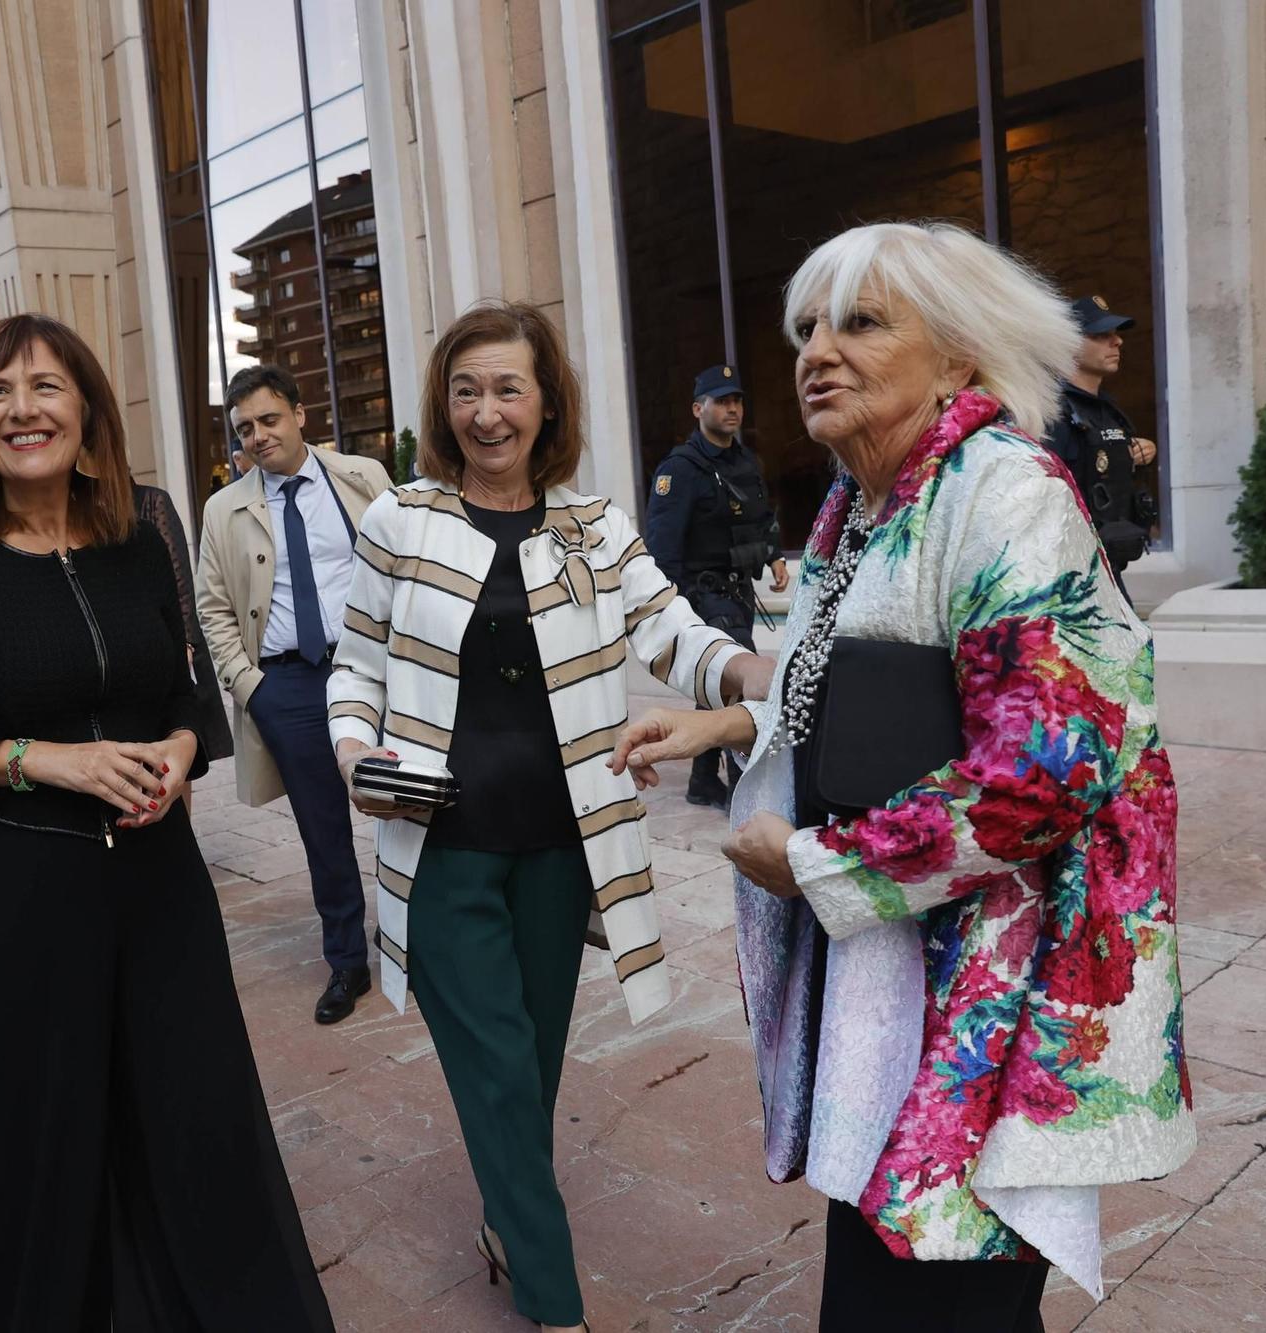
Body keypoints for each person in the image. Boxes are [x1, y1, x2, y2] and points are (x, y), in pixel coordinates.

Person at [612, 223, 1193, 1331]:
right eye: (807, 328)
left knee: (940, 1294)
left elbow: (1044, 772)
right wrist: (727, 719)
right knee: (887, 1275)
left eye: (860, 323)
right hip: (891, 980)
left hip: (989, 991)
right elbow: (859, 687)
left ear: (960, 356)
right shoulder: (860, 501)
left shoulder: (1002, 489)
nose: (814, 352)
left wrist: (812, 861)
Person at [0, 313, 334, 1329]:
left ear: (84, 408)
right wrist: (38, 759)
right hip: (23, 899)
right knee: (52, 1153)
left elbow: (186, 688)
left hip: (160, 886)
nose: (24, 409)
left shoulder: (137, 531)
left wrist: (175, 747)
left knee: (197, 1126)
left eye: (45, 387)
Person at [326, 301, 770, 1333]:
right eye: (466, 388)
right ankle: (556, 1302)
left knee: (524, 1068)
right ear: (444, 402)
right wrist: (355, 753)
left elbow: (670, 630)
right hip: (436, 847)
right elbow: (354, 667)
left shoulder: (592, 526)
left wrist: (748, 672)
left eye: (507, 388)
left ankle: (500, 1221)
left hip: (561, 850)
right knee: (491, 1070)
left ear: (545, 402)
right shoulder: (398, 521)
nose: (486, 412)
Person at [198, 364, 392, 1025]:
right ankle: (348, 962)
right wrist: (252, 688)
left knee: (405, 807)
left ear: (300, 414)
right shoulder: (223, 509)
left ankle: (414, 941)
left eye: (269, 419)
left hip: (372, 670)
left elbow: (403, 568)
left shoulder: (361, 478)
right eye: (244, 428)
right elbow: (213, 607)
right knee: (323, 829)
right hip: (287, 684)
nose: (257, 435)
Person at [644, 364, 788, 808]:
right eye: (722, 401)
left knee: (718, 686)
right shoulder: (681, 469)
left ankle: (702, 781)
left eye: (737, 401)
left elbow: (760, 516)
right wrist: (676, 610)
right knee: (739, 683)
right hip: (703, 595)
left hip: (739, 591)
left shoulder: (743, 461)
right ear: (697, 409)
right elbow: (662, 549)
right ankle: (744, 786)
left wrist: (776, 555)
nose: (732, 409)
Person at [1043, 295, 1159, 605]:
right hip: (1068, 576)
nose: (1117, 342)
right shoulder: (1052, 412)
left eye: (1116, 334)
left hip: (1107, 566)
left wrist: (1134, 451)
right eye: (1101, 335)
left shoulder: (1106, 409)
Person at [135, 481, 234, 764]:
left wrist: (187, 641)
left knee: (175, 747)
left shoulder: (151, 500)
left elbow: (179, 579)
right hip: (121, 659)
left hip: (165, 647)